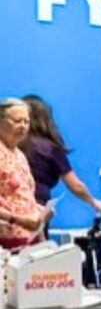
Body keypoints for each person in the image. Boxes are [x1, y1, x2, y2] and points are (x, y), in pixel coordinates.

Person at [20, 95, 101, 216]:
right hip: (36, 209)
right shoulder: (50, 149)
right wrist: (93, 202)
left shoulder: (11, 147)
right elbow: (75, 186)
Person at [0, 98, 50, 250]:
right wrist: (18, 219)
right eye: (17, 121)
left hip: (29, 240)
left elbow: (23, 195)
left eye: (26, 122)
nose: (23, 126)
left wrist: (40, 212)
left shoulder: (20, 155)